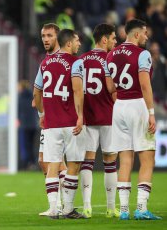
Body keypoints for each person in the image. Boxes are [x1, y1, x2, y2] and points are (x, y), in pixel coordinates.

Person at [106, 19, 161, 220]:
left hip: (119, 106)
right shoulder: (142, 54)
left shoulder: (111, 54)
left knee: (125, 160)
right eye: (145, 33)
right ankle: (141, 208)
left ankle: (124, 211)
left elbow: (110, 87)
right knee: (147, 158)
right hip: (138, 105)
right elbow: (146, 86)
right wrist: (151, 113)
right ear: (136, 34)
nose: (147, 36)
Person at [37, 29, 85, 219]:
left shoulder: (45, 63)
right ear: (68, 43)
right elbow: (77, 90)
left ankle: (53, 209)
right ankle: (68, 209)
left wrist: (42, 114)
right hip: (70, 121)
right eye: (77, 41)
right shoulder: (76, 62)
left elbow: (36, 94)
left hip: (51, 123)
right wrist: (80, 116)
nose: (79, 44)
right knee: (73, 164)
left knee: (52, 165)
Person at [79, 23, 119, 218]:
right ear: (104, 39)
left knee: (87, 162)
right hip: (109, 117)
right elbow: (115, 91)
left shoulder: (82, 59)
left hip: (87, 118)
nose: (115, 42)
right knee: (110, 161)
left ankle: (87, 207)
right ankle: (111, 208)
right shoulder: (111, 59)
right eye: (113, 38)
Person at [33, 23, 67, 216]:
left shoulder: (64, 59)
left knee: (53, 160)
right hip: (49, 117)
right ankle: (59, 204)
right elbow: (38, 90)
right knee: (44, 161)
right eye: (43, 36)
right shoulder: (46, 61)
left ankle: (60, 205)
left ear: (58, 38)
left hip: (60, 118)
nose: (45, 39)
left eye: (49, 36)